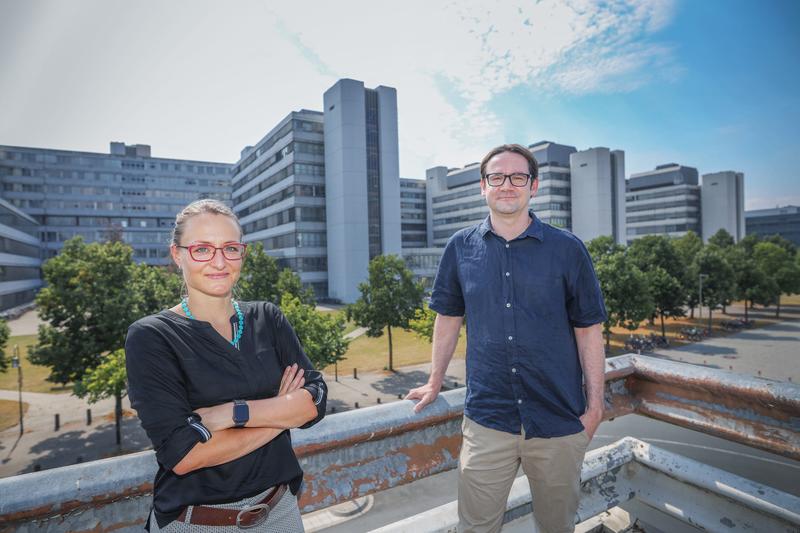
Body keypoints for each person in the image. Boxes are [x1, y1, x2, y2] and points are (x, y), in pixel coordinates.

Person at [406, 144, 607, 533]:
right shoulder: (460, 247)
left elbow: (589, 330)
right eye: (497, 177)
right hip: (487, 421)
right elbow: (447, 319)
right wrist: (434, 381)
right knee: (476, 528)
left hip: (559, 420)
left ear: (534, 185)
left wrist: (595, 408)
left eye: (518, 177)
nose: (507, 185)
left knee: (557, 528)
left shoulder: (568, 249)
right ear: (483, 187)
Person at [125, 199, 327, 532]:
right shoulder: (152, 337)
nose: (220, 261)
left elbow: (316, 400)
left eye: (230, 248)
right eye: (202, 249)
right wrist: (283, 412)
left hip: (280, 512)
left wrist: (233, 413)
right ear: (177, 255)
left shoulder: (268, 318)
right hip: (197, 521)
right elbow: (184, 455)